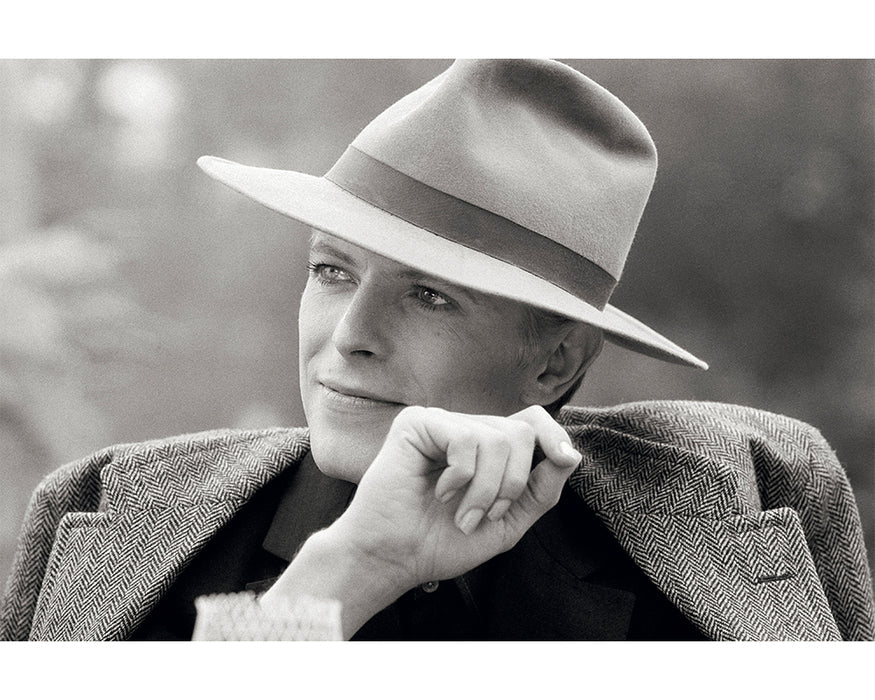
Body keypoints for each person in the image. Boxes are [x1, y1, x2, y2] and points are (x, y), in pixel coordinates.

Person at [1, 59, 872, 642]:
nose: (348, 338)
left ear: (556, 363)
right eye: (332, 271)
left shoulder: (747, 495)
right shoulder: (108, 517)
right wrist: (344, 574)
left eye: (427, 296)